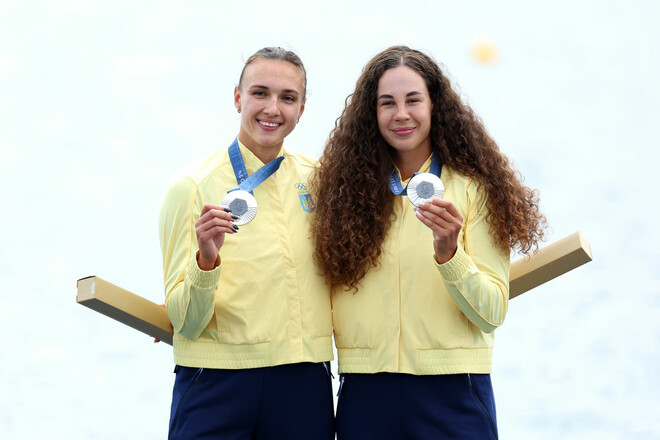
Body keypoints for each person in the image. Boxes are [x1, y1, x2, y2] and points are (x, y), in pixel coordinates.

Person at [310, 45, 547, 440]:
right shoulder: (344, 193)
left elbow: (491, 312)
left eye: (413, 100)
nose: (401, 114)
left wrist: (450, 255)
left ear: (435, 105)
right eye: (387, 103)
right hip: (366, 393)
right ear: (372, 114)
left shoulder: (475, 189)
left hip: (453, 392)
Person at [159, 47, 334, 440]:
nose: (272, 108)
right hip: (214, 383)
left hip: (302, 381)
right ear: (237, 97)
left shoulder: (323, 181)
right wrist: (206, 262)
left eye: (288, 98)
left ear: (302, 108)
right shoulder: (189, 187)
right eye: (260, 93)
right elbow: (185, 321)